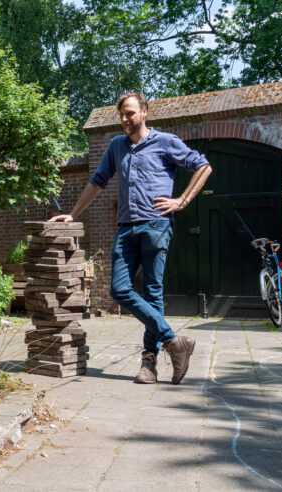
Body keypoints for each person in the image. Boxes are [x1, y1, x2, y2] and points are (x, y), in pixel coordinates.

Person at [50, 93, 212, 385]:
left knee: (152, 293)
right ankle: (175, 342)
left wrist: (182, 201)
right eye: (121, 115)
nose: (125, 120)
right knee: (119, 290)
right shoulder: (116, 146)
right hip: (126, 227)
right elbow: (98, 180)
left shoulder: (165, 142)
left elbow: (203, 166)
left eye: (130, 113)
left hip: (156, 225)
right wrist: (73, 214)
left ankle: (148, 364)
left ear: (145, 112)